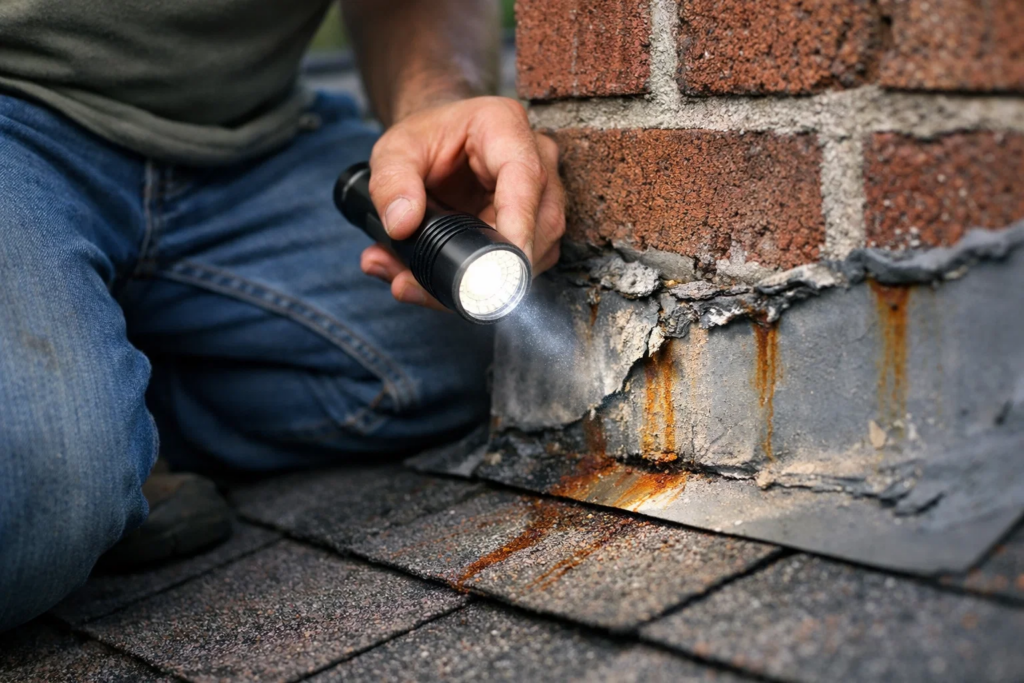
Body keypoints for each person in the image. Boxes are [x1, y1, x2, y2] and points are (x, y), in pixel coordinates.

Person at [0, 0, 565, 631]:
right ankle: (81, 428)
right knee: (38, 496)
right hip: (13, 120)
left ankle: (111, 402)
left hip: (248, 140)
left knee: (474, 343)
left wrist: (437, 98)